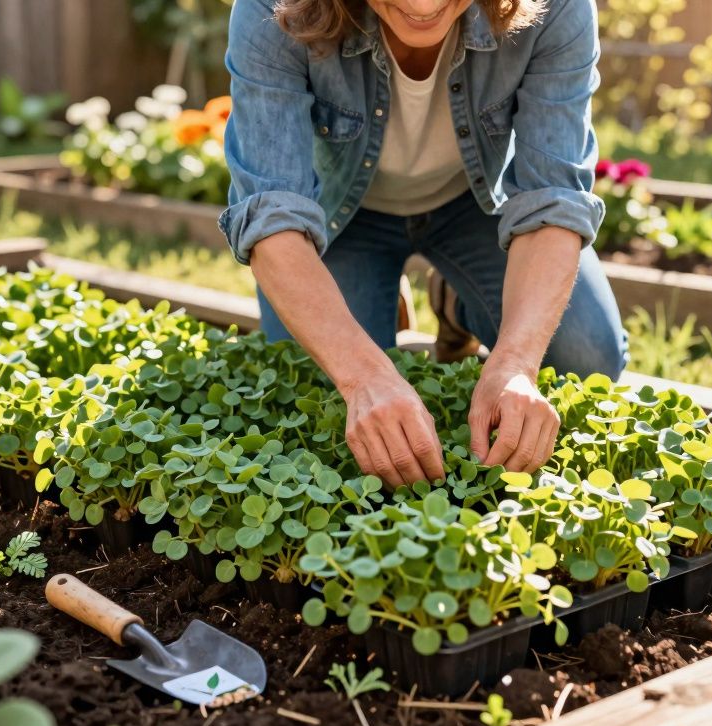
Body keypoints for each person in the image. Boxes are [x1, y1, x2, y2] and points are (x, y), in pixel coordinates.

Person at [218, 0, 627, 489]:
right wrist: (362, 375)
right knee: (314, 391)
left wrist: (517, 363)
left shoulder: (557, 6)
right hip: (340, 220)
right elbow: (270, 216)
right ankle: (376, 298)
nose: (422, 6)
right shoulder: (271, 8)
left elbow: (553, 199)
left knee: (584, 358)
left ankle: (454, 299)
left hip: (474, 207)